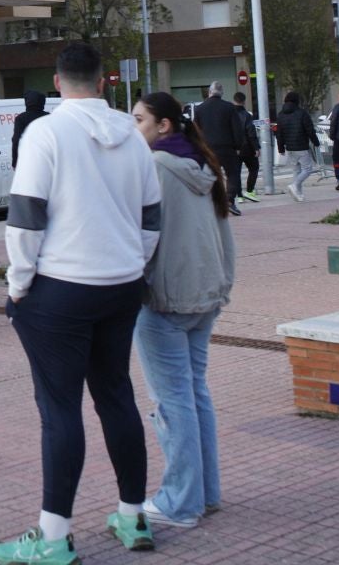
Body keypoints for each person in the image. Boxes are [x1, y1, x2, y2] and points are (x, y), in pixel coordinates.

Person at [0, 42, 162, 563]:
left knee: (60, 408)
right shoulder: (133, 139)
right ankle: (134, 516)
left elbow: (25, 217)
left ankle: (52, 537)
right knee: (116, 395)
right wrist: (131, 264)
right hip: (121, 285)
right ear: (104, 81)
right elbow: (151, 219)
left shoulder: (46, 131)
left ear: (57, 80)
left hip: (60, 289)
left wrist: (18, 284)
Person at [129, 91, 235, 530]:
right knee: (194, 394)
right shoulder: (204, 165)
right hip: (206, 294)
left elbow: (140, 236)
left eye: (139, 120)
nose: (134, 129)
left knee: (173, 402)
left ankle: (181, 502)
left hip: (166, 299)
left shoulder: (154, 168)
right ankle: (204, 494)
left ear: (164, 126)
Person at [191, 83, 244, 216]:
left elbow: (195, 131)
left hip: (208, 148)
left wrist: (197, 147)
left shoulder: (200, 109)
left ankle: (211, 203)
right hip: (227, 147)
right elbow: (237, 129)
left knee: (210, 175)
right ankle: (230, 200)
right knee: (233, 174)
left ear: (209, 92)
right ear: (222, 93)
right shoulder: (229, 108)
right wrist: (238, 146)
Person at [274, 91, 318, 202]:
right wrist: (316, 142)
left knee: (296, 170)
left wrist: (281, 148)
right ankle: (294, 185)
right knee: (308, 169)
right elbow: (310, 130)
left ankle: (298, 194)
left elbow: (279, 133)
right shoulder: (302, 113)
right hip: (301, 145)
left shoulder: (281, 114)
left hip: (289, 147)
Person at [230, 91, 261, 203]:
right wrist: (256, 148)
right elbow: (251, 133)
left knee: (236, 172)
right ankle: (249, 191)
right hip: (247, 148)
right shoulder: (247, 115)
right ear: (243, 102)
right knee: (254, 168)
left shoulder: (228, 114)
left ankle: (239, 196)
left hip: (233, 148)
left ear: (233, 100)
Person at [11, 90, 48, 170]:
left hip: (29, 161)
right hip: (47, 160)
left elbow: (16, 141)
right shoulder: (48, 117)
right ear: (42, 102)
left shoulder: (21, 119)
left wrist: (15, 162)